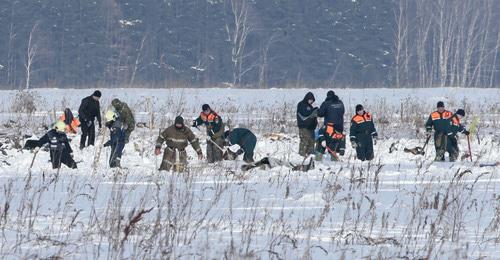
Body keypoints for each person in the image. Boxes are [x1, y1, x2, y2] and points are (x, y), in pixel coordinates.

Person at [296, 92, 318, 157]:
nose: (311, 101)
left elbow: (312, 116)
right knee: (304, 142)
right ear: (307, 98)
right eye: (310, 100)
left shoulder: (310, 106)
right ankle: (301, 156)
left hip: (311, 128)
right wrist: (313, 111)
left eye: (312, 100)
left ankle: (310, 156)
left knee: (311, 142)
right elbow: (305, 113)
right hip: (304, 127)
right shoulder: (301, 104)